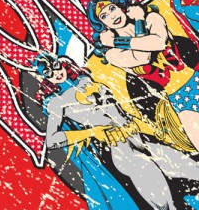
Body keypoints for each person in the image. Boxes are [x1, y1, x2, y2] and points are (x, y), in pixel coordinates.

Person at [34, 51, 199, 210]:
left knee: (192, 169)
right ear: (43, 77)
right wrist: (92, 132)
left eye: (55, 66)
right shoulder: (57, 103)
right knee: (162, 200)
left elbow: (118, 106)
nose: (56, 73)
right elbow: (52, 140)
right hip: (121, 149)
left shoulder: (85, 79)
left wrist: (137, 123)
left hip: (138, 136)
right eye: (48, 72)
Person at [87, 0, 199, 152]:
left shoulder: (151, 18)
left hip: (195, 79)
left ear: (121, 7)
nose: (112, 16)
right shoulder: (112, 54)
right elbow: (143, 57)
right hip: (179, 99)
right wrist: (119, 39)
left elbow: (158, 43)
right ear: (102, 24)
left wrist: (133, 26)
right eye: (104, 16)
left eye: (112, 9)